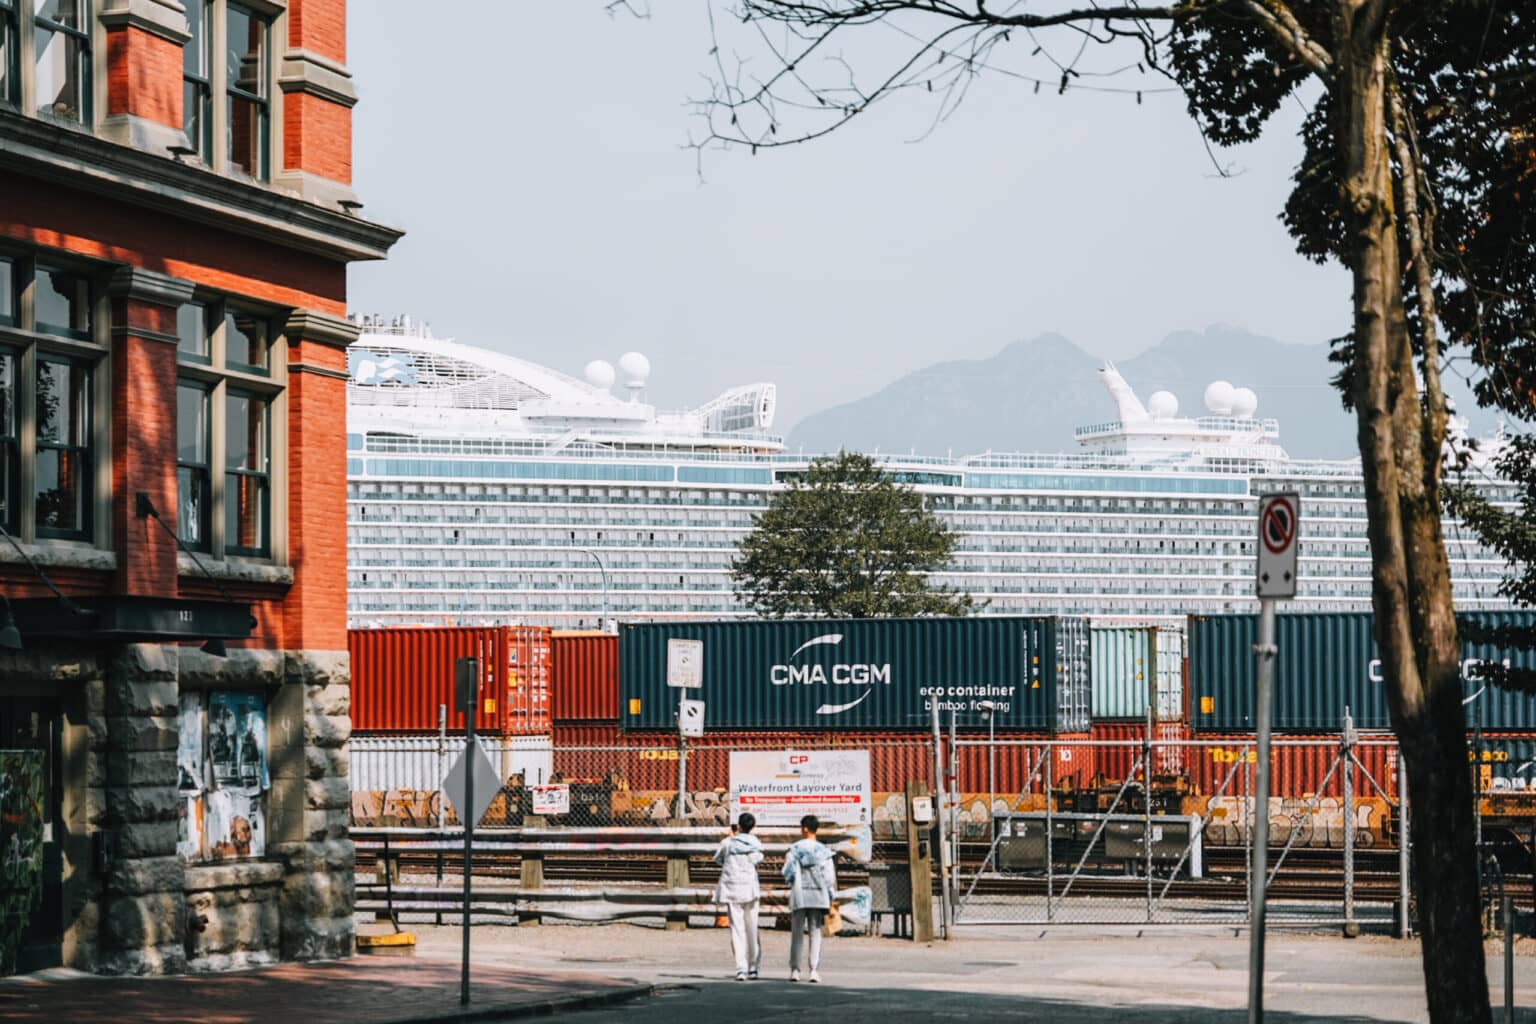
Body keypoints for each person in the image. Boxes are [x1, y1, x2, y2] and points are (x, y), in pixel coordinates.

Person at [781, 813, 836, 983]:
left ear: (804, 829)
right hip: (818, 896)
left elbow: (787, 873)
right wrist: (829, 894)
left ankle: (795, 970)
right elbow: (829, 878)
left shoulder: (794, 849)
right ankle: (813, 969)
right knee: (815, 933)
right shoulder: (824, 851)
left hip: (799, 895)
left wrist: (793, 881)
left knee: (796, 933)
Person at [713, 812, 764, 981]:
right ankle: (754, 967)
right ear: (752, 827)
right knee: (752, 928)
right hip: (750, 889)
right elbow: (758, 859)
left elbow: (718, 859)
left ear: (738, 826)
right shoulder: (755, 843)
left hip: (732, 889)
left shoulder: (727, 843)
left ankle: (740, 969)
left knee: (737, 930)